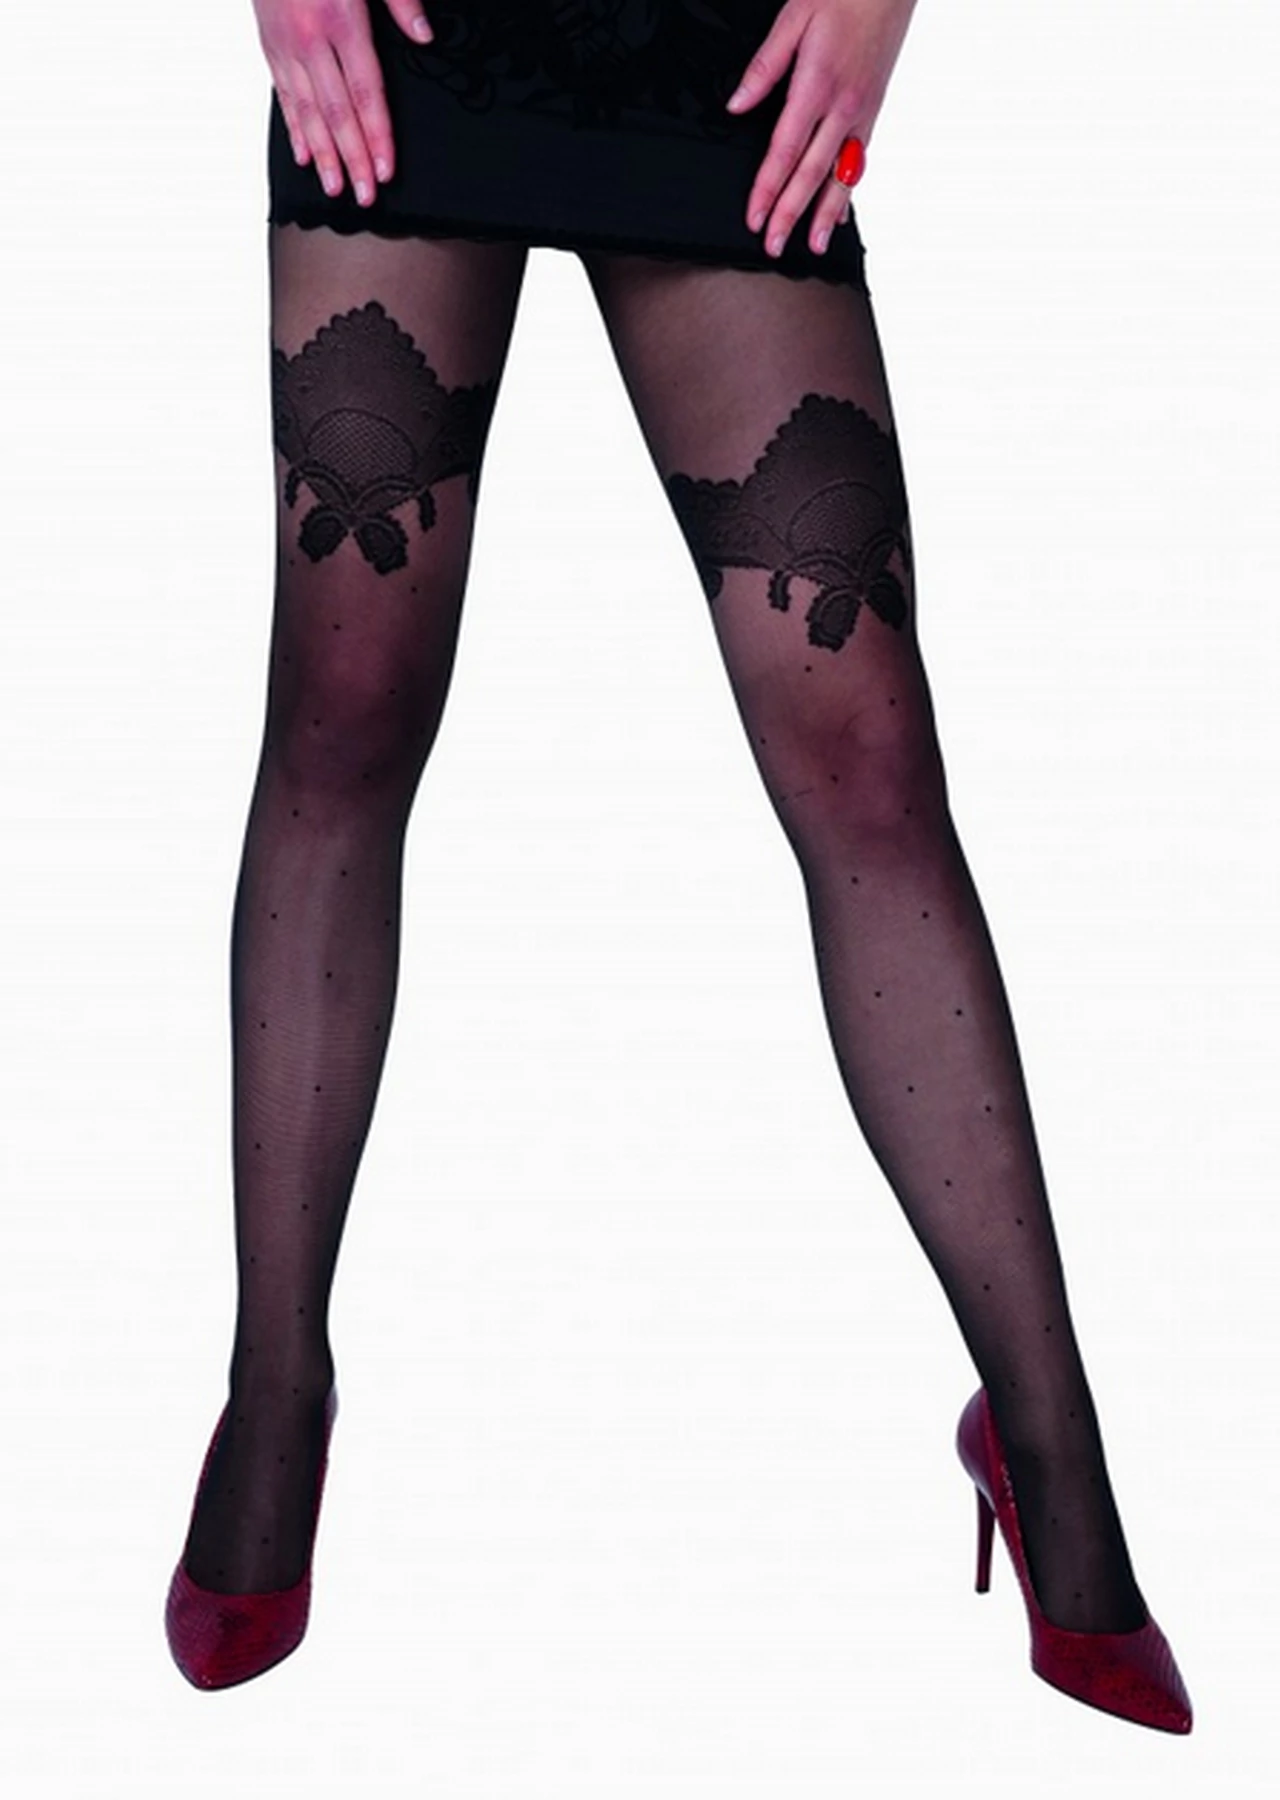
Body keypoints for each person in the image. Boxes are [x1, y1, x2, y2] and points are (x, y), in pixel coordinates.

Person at [164, 0, 1192, 1731]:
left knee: (865, 755)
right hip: (407, 63)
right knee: (345, 708)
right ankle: (276, 1388)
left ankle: (1046, 1439)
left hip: (720, 56)